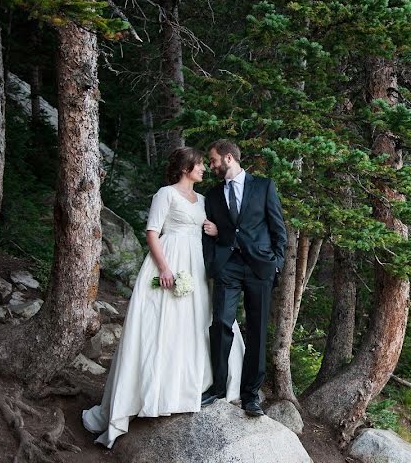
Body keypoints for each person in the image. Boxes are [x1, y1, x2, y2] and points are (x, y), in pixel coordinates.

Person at [83, 147, 244, 447]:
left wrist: (212, 230)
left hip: (196, 267)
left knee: (193, 325)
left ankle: (187, 388)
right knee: (162, 325)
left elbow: (213, 229)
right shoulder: (165, 194)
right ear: (185, 167)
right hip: (170, 260)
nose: (204, 169)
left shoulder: (205, 201)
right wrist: (164, 268)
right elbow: (152, 232)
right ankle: (150, 394)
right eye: (199, 165)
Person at [201, 139, 286, 417]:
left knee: (258, 331)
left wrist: (277, 263)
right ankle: (218, 388)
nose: (211, 165)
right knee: (221, 325)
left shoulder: (263, 186)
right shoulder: (213, 196)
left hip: (260, 267)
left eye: (213, 160)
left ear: (228, 158)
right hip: (228, 267)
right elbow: (219, 232)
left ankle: (251, 396)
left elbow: (278, 228)